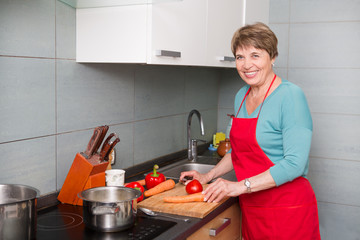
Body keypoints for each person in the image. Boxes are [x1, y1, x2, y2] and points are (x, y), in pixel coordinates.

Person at [180, 22, 321, 240]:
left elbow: (295, 163)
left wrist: (239, 186)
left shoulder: (291, 96)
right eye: (240, 57)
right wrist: (208, 175)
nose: (247, 65)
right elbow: (237, 151)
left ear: (272, 57)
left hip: (288, 209)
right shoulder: (241, 96)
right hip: (253, 206)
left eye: (255, 55)